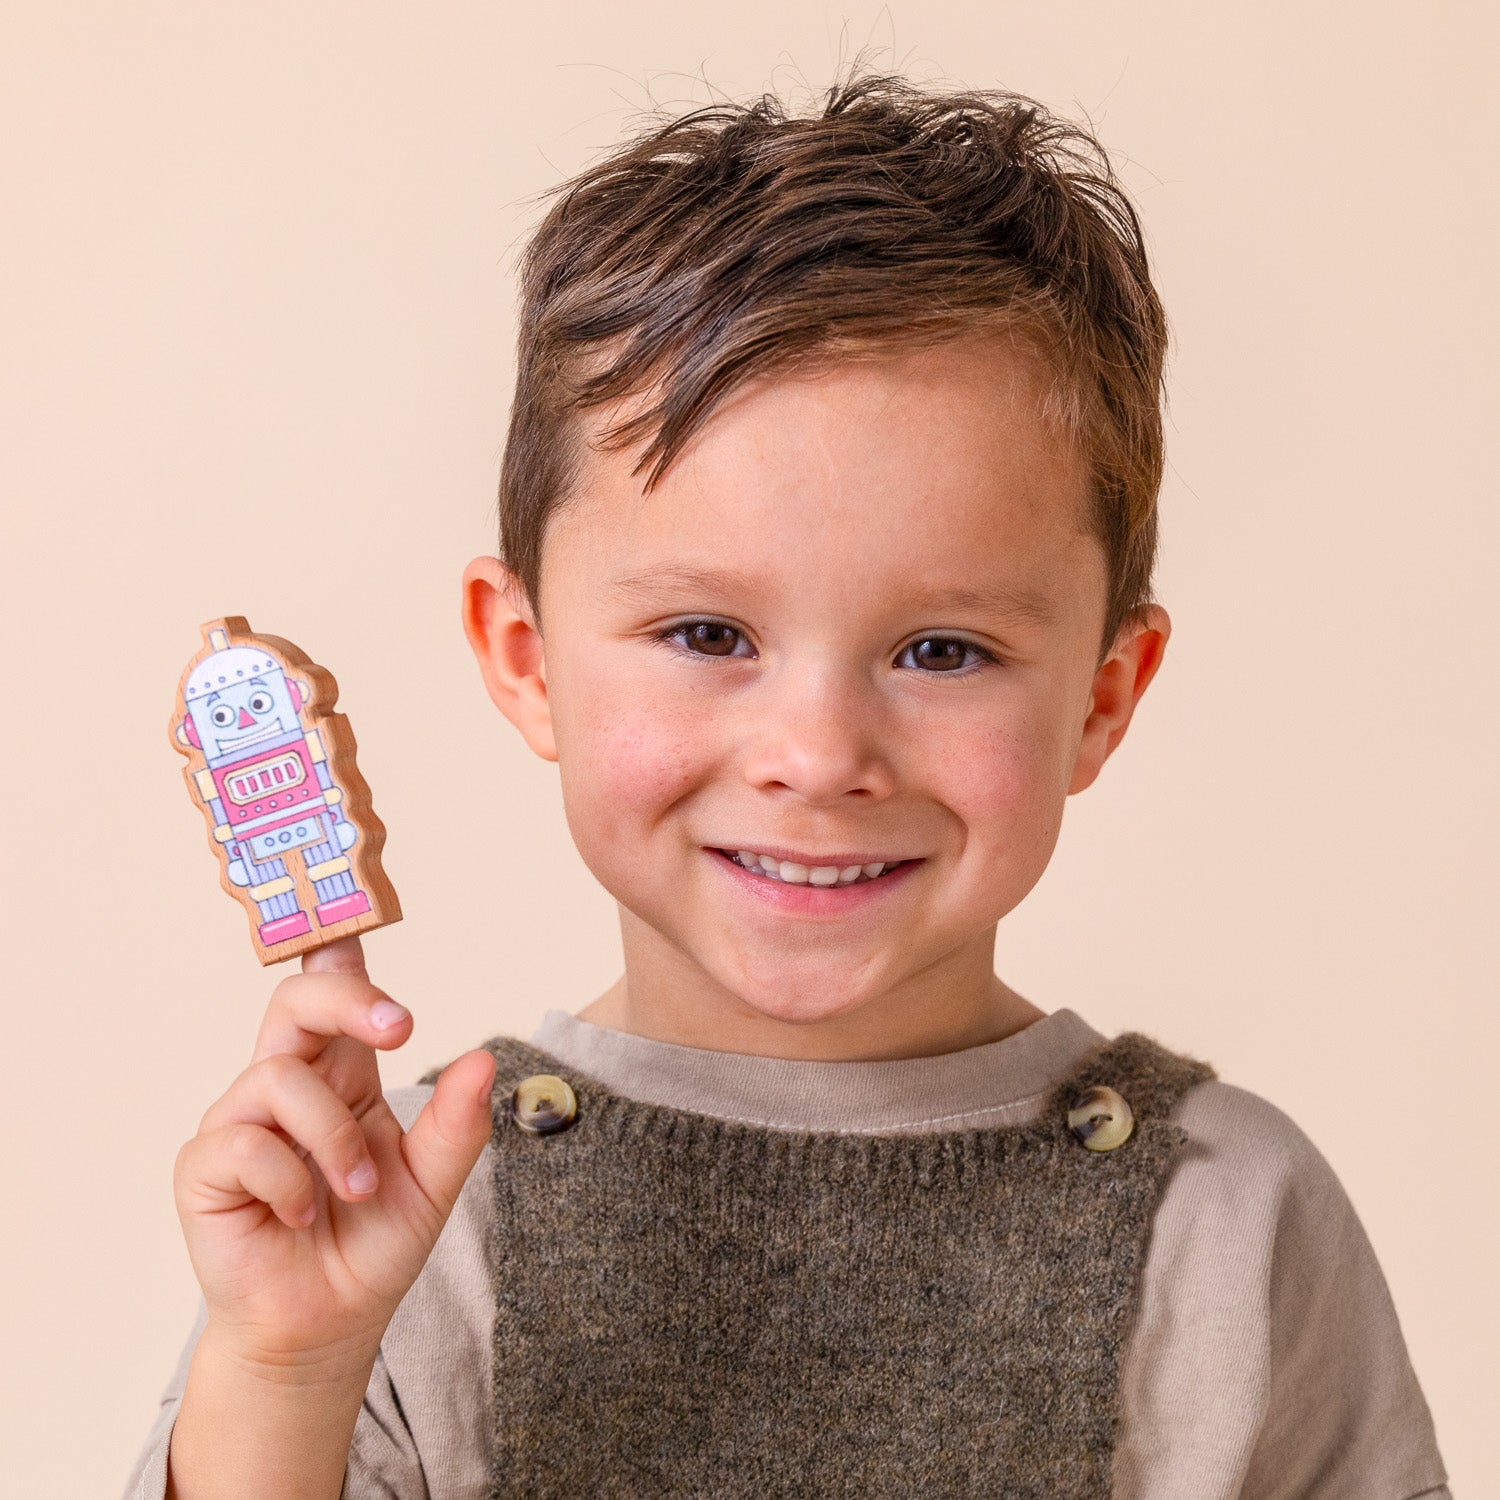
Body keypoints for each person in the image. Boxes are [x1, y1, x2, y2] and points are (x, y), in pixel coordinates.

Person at [126, 68, 1450, 1499]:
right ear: (526, 658)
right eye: (709, 635)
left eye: (943, 650)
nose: (818, 757)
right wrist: (282, 1370)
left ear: (1102, 698)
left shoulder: (1236, 1219)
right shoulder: (408, 1221)